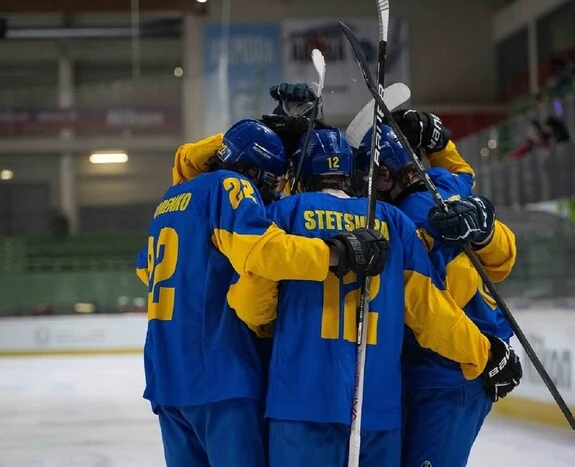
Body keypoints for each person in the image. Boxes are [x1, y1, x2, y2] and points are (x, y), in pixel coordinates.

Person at [229, 127, 522, 467]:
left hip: (300, 401)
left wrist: (268, 327)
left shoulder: (284, 215)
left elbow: (251, 307)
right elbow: (430, 311)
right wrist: (484, 354)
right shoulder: (393, 221)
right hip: (378, 408)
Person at [135, 119, 388, 467]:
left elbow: (143, 270)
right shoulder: (230, 185)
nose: (270, 192)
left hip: (167, 376)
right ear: (251, 169)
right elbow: (264, 253)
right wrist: (336, 252)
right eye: (270, 179)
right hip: (218, 373)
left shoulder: (171, 199)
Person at [357, 112, 519, 467]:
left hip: (453, 370)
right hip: (454, 366)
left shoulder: (404, 222)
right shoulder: (443, 185)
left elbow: (436, 305)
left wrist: (484, 353)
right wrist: (440, 142)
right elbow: (464, 173)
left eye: (367, 177)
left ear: (384, 176)